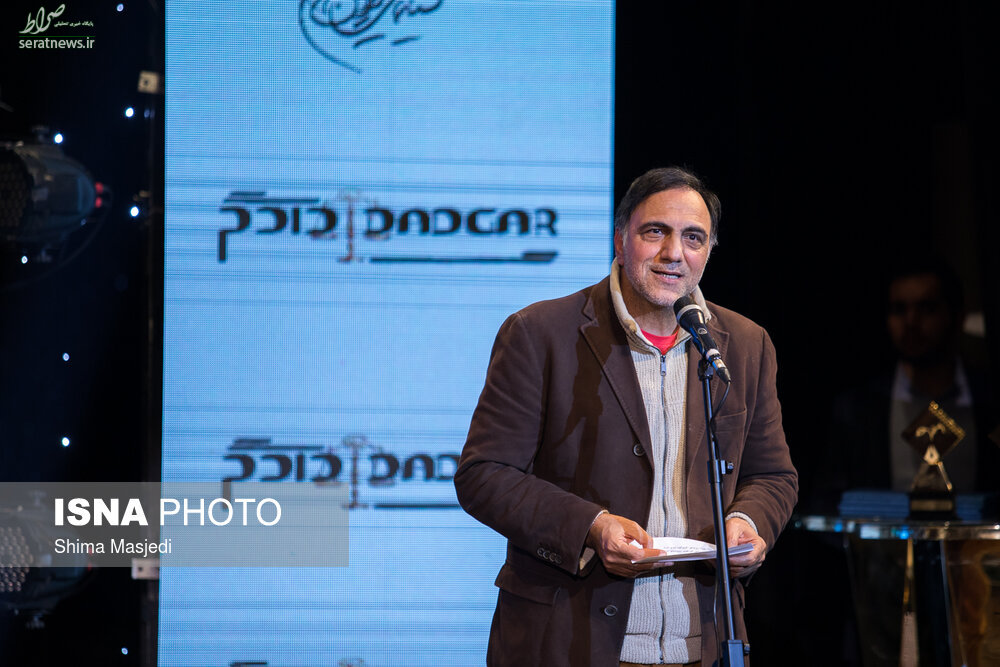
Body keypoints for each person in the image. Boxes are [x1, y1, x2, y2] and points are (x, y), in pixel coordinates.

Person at [454, 166, 799, 667]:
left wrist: (747, 521)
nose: (673, 253)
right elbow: (484, 475)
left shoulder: (745, 344)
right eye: (655, 232)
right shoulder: (539, 332)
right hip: (570, 641)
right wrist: (591, 527)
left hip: (703, 643)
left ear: (709, 250)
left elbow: (773, 475)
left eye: (693, 238)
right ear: (620, 240)